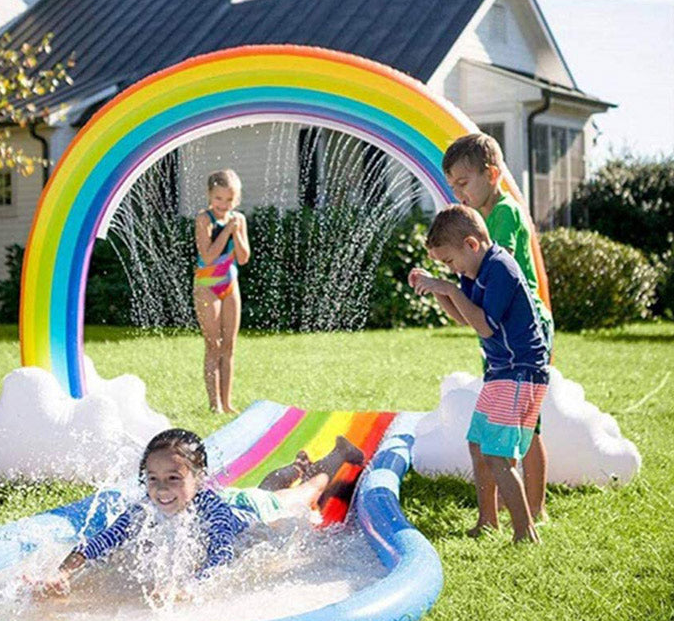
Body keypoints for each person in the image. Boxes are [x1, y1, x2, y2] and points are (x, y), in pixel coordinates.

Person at [38, 428, 364, 597]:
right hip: (241, 497)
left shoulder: (212, 510)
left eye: (174, 479)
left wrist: (191, 585)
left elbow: (221, 550)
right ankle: (296, 466)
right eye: (153, 480)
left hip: (252, 511)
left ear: (199, 478)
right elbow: (102, 541)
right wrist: (62, 572)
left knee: (302, 496)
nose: (162, 490)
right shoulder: (144, 509)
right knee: (268, 486)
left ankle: (339, 452)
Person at [409, 206, 550, 543]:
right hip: (502, 372)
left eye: (449, 261)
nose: (450, 269)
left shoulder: (500, 268)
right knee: (478, 444)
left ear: (472, 244)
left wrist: (449, 287)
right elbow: (465, 318)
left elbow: (485, 326)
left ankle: (525, 532)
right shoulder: (473, 272)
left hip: (520, 372)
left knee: (499, 456)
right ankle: (488, 521)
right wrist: (440, 290)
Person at [442, 133, 553, 523]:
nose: (458, 192)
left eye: (463, 182)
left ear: (491, 174)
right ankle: (507, 502)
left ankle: (534, 510)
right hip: (501, 330)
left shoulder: (504, 213)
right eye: (452, 185)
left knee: (527, 425)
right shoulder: (482, 218)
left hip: (526, 328)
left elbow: (499, 272)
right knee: (504, 421)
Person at [193, 170, 251, 414]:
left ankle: (227, 403)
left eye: (228, 200)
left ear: (235, 200)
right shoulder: (203, 219)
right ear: (210, 196)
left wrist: (236, 232)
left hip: (230, 285)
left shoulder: (238, 219)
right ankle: (214, 403)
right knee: (213, 345)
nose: (223, 205)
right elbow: (207, 256)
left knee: (229, 346)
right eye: (218, 199)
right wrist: (226, 231)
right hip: (206, 287)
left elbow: (244, 257)